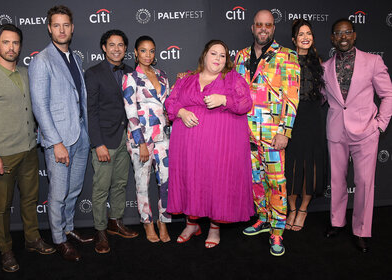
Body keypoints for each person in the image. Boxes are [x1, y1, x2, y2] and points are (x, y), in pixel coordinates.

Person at [0, 24, 55, 272]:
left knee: (30, 200)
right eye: (6, 42)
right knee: (2, 207)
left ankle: (32, 239)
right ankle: (6, 250)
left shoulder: (26, 73)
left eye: (16, 43)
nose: (11, 47)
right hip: (3, 155)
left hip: (30, 150)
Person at [165, 40, 254, 248]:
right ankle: (191, 224)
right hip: (188, 147)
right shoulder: (187, 80)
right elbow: (170, 101)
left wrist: (224, 100)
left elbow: (245, 103)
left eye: (222, 56)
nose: (218, 59)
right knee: (191, 181)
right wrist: (181, 111)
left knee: (216, 183)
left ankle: (214, 228)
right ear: (204, 56)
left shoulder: (233, 79)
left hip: (219, 147)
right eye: (214, 54)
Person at [28, 5, 92, 262]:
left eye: (66, 25)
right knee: (58, 192)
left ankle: (67, 227)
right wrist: (55, 142)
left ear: (72, 27)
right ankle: (59, 240)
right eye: (57, 25)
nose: (62, 30)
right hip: (60, 140)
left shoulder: (74, 57)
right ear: (49, 28)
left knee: (74, 189)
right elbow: (40, 107)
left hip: (81, 135)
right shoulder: (42, 60)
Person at [234, 9, 300, 256]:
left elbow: (292, 97)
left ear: (273, 28)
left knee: (276, 183)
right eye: (259, 24)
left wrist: (285, 131)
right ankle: (263, 218)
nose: (263, 29)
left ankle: (277, 232)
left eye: (268, 25)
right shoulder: (240, 56)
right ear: (253, 27)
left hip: (274, 135)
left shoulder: (287, 56)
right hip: (245, 134)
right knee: (256, 181)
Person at [322, 18, 392, 253]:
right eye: (338, 33)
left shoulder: (373, 62)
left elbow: (388, 95)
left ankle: (361, 230)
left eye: (347, 32)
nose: (343, 36)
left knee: (363, 183)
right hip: (336, 130)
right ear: (332, 38)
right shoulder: (324, 67)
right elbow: (320, 98)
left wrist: (380, 125)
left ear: (354, 35)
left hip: (365, 132)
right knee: (337, 181)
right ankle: (337, 222)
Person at [85, 29, 138, 254]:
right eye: (112, 45)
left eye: (120, 45)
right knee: (100, 188)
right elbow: (90, 111)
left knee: (120, 185)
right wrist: (98, 143)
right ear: (104, 48)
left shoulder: (131, 71)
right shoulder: (93, 73)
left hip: (125, 139)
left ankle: (115, 221)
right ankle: (100, 230)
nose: (116, 49)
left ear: (125, 49)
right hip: (104, 141)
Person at [122, 35, 171, 243]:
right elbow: (130, 113)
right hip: (141, 140)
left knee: (166, 183)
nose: (148, 55)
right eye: (143, 50)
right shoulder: (130, 78)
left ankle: (163, 222)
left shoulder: (162, 75)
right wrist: (141, 142)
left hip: (163, 138)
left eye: (151, 50)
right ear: (135, 52)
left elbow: (168, 106)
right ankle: (147, 223)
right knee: (142, 184)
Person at [285, 19, 326, 231]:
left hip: (313, 117)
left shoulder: (319, 62)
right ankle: (292, 208)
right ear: (294, 39)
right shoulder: (285, 60)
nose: (305, 37)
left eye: (308, 33)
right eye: (301, 34)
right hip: (292, 117)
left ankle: (303, 209)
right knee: (291, 165)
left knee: (311, 165)